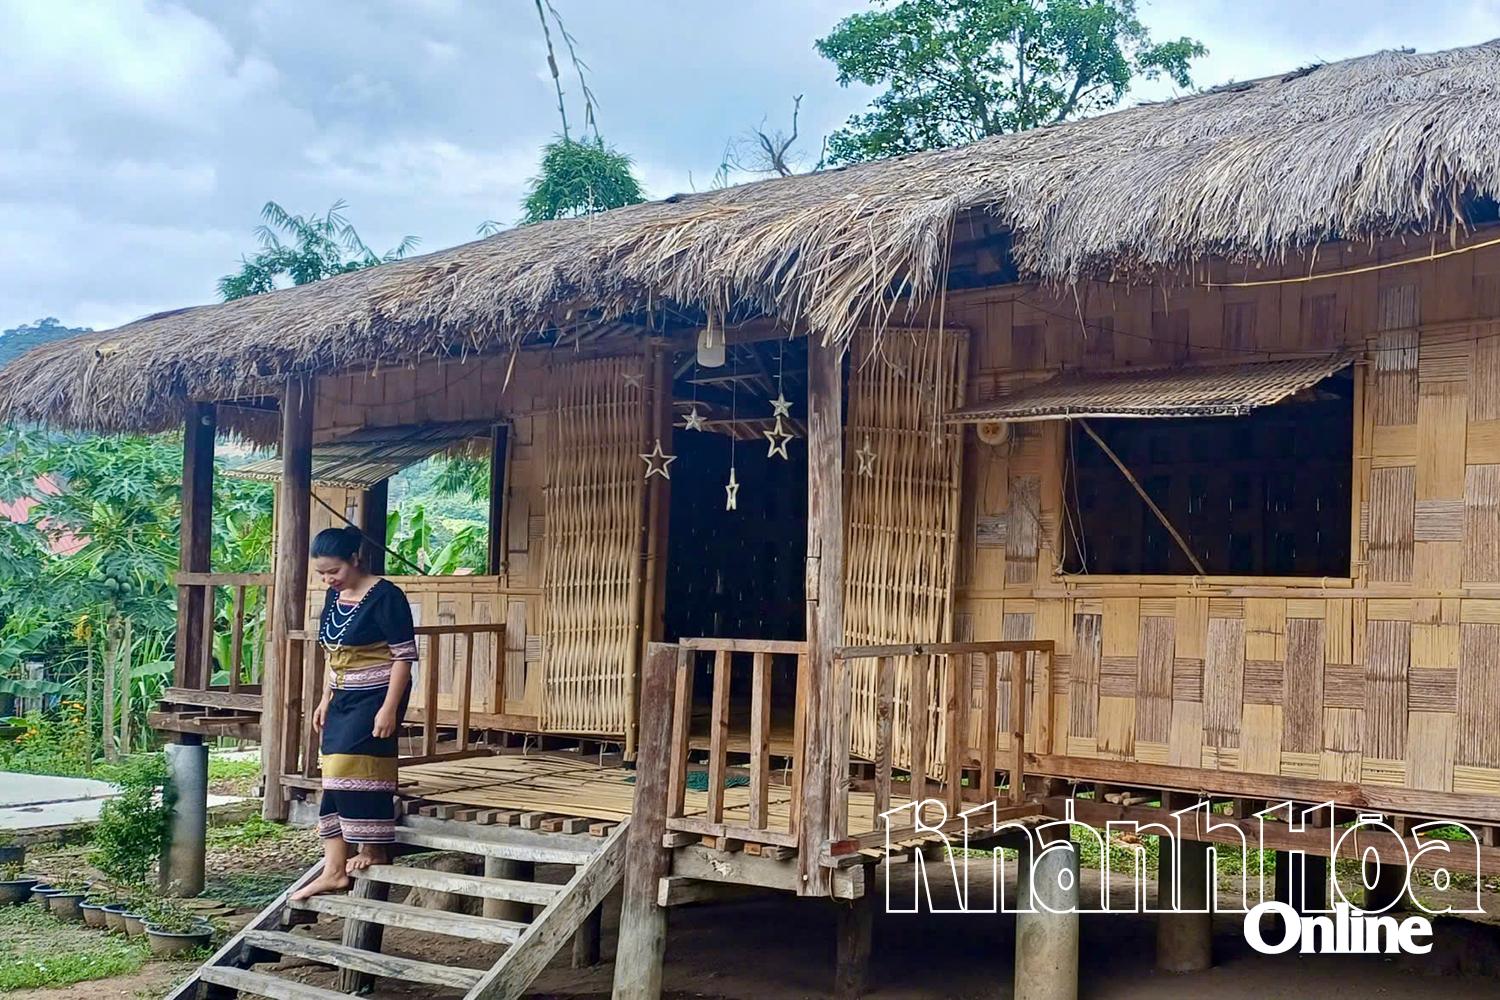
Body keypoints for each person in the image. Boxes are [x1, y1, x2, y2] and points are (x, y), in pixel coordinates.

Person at [291, 525, 416, 900]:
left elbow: (404, 656)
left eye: (334, 571)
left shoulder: (387, 596)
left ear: (355, 559)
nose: (329, 579)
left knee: (354, 768)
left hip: (377, 694)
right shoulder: (336, 596)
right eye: (322, 574)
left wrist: (389, 709)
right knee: (331, 772)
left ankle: (374, 848)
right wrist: (325, 698)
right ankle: (333, 870)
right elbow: (333, 654)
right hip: (343, 694)